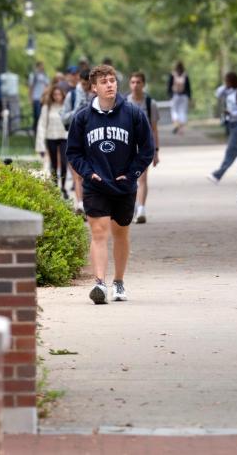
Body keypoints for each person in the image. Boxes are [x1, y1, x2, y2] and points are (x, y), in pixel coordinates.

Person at [66, 64, 156, 304]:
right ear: (93, 87)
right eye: (104, 81)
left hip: (124, 185)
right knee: (98, 232)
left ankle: (118, 282)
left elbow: (147, 149)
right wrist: (88, 173)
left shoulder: (134, 114)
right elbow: (73, 152)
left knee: (120, 233)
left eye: (112, 80)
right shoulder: (83, 117)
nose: (110, 85)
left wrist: (132, 173)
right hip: (95, 184)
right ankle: (99, 283)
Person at [127, 71, 162, 223]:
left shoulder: (150, 104)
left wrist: (156, 151)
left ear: (143, 84)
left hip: (143, 145)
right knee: (129, 179)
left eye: (138, 82)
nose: (135, 85)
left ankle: (141, 209)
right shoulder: (124, 102)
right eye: (133, 82)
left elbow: (154, 129)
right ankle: (133, 205)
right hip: (126, 146)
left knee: (142, 178)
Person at [209, 70, 237, 184]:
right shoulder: (229, 92)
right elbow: (217, 93)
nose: (226, 82)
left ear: (232, 81)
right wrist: (225, 85)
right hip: (231, 125)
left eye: (227, 80)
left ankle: (217, 175)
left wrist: (233, 113)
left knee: (231, 150)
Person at [62, 70, 95, 212]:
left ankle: (90, 204)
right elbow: (63, 117)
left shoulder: (97, 95)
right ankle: (80, 204)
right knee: (77, 174)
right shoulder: (72, 95)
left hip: (93, 139)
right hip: (75, 138)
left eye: (88, 84)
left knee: (92, 174)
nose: (86, 87)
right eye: (83, 84)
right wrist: (77, 110)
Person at [35, 82, 70, 195]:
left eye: (59, 94)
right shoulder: (47, 107)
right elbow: (41, 125)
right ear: (52, 95)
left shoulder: (66, 106)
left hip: (64, 137)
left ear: (62, 95)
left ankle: (63, 187)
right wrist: (40, 144)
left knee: (64, 163)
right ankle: (55, 186)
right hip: (51, 137)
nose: (57, 96)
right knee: (54, 164)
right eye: (55, 94)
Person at [169, 60, 192, 134]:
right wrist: (189, 96)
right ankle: (181, 129)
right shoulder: (185, 75)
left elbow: (169, 85)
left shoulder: (173, 75)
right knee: (182, 111)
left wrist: (170, 94)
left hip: (175, 95)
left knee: (174, 111)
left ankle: (176, 125)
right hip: (184, 96)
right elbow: (188, 87)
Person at [29, 60, 49, 131]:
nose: (42, 67)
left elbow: (47, 86)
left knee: (41, 114)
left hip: (43, 98)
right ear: (37, 67)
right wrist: (30, 98)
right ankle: (35, 129)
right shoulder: (33, 75)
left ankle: (40, 129)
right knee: (36, 115)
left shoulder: (45, 75)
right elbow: (31, 87)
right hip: (36, 97)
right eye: (41, 65)